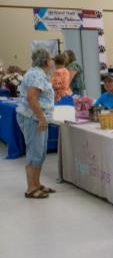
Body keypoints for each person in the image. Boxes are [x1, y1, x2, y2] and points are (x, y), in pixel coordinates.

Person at [18, 48, 55, 199]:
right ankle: (31, 188)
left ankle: (37, 183)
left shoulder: (39, 74)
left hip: (38, 117)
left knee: (40, 152)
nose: (52, 61)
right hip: (34, 119)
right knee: (34, 152)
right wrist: (41, 118)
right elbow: (32, 98)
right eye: (51, 58)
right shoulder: (36, 75)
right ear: (46, 61)